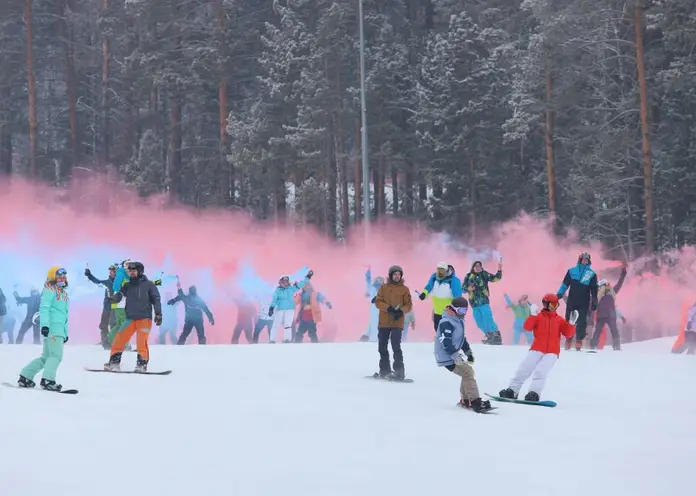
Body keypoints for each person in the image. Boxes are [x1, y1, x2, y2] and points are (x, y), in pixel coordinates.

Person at [498, 294, 577, 402]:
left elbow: (568, 334)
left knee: (541, 372)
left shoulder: (559, 320)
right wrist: (533, 315)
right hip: (536, 348)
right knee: (524, 369)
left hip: (552, 352)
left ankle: (534, 393)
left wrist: (571, 324)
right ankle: (512, 390)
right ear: (545, 304)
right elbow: (527, 327)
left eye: (556, 305)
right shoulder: (538, 317)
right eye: (552, 305)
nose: (554, 307)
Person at [434, 296, 492, 412]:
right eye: (460, 311)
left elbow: (462, 339)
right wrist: (455, 356)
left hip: (452, 355)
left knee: (467, 372)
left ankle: (466, 400)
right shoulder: (447, 322)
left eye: (465, 311)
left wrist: (468, 352)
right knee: (467, 372)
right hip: (446, 356)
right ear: (454, 309)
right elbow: (446, 342)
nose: (463, 313)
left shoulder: (457, 320)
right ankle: (474, 401)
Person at [17, 267, 70, 391]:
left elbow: (64, 315)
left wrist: (65, 333)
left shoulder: (62, 293)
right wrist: (45, 326)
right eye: (59, 276)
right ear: (53, 277)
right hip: (53, 328)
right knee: (56, 356)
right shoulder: (49, 290)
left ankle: (25, 376)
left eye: (64, 276)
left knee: (46, 357)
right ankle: (48, 380)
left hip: (58, 329)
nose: (62, 278)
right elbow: (44, 308)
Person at [104, 262, 162, 372]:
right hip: (130, 319)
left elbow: (156, 299)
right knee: (119, 339)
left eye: (133, 271)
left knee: (141, 342)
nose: (131, 272)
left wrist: (158, 314)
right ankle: (114, 363)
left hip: (144, 319)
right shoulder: (127, 285)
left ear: (140, 271)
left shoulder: (149, 285)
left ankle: (141, 365)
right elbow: (120, 294)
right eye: (130, 271)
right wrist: (113, 298)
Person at [373, 265, 412, 380]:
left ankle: (399, 371)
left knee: (396, 346)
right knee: (382, 347)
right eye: (395, 274)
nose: (397, 276)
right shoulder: (383, 288)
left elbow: (408, 304)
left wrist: (401, 311)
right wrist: (388, 308)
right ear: (391, 275)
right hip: (384, 322)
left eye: (399, 274)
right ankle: (385, 370)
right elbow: (378, 302)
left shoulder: (405, 289)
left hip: (397, 322)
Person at [557, 252, 598, 350]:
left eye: (586, 260)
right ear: (580, 260)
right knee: (569, 320)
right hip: (572, 300)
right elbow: (565, 284)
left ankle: (579, 341)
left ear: (589, 261)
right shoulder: (571, 271)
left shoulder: (591, 274)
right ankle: (568, 339)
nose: (585, 261)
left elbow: (594, 289)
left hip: (584, 301)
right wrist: (559, 293)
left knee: (582, 321)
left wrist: (594, 301)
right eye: (583, 259)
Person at [463, 259, 503, 344]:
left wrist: (499, 270)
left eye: (479, 266)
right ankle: (489, 336)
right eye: (476, 266)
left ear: (481, 267)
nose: (478, 267)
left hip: (483, 301)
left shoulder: (484, 274)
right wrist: (468, 288)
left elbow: (496, 278)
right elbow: (463, 289)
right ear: (473, 267)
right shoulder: (468, 276)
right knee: (479, 322)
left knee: (488, 318)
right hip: (474, 303)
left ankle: (496, 335)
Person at [589, 266, 627, 351]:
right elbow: (592, 306)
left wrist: (623, 275)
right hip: (603, 316)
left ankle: (616, 346)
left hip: (609, 315)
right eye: (604, 286)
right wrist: (590, 317)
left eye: (607, 286)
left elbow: (619, 284)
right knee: (598, 332)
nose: (606, 287)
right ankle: (593, 346)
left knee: (613, 331)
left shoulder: (611, 292)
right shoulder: (597, 295)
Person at [269, 270, 312, 343]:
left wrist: (308, 277)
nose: (285, 282)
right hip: (279, 309)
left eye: (287, 281)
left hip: (290, 309)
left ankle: (287, 339)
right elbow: (274, 300)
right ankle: (272, 340)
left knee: (288, 325)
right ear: (280, 281)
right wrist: (271, 308)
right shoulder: (277, 291)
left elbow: (301, 284)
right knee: (276, 324)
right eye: (284, 281)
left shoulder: (291, 289)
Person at [419, 262, 462, 331]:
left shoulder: (453, 280)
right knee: (438, 330)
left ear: (446, 271)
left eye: (442, 270)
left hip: (448, 312)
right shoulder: (434, 277)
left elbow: (457, 295)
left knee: (448, 332)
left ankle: (458, 340)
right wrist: (424, 294)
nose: (440, 272)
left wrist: (457, 308)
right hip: (437, 311)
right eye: (438, 270)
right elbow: (429, 286)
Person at [85, 263, 117, 349]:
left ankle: (116, 343)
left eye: (112, 271)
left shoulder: (120, 283)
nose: (110, 273)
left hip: (116, 308)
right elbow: (97, 281)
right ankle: (105, 343)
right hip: (107, 308)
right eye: (110, 271)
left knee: (114, 325)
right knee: (104, 325)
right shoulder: (107, 282)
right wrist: (90, 275)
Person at [359, 268, 383, 342]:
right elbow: (368, 285)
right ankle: (373, 338)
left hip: (379, 309)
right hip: (375, 309)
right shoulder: (373, 288)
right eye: (379, 281)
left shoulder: (383, 289)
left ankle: (366, 336)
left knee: (374, 323)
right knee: (374, 323)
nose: (380, 283)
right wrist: (368, 277)